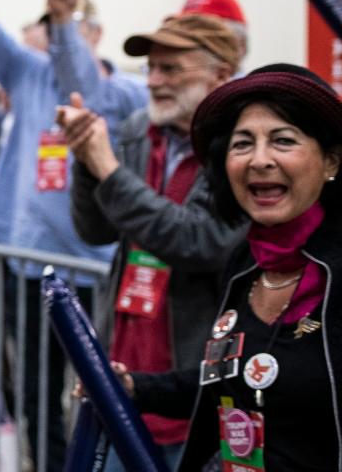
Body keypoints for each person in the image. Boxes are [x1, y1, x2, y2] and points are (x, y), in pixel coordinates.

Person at [0, 0, 147, 470]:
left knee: (103, 394)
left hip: (98, 272)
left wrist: (65, 25)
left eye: (70, 25)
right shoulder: (30, 74)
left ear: (95, 33)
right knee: (36, 392)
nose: (59, 38)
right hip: (28, 271)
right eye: (54, 26)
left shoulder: (125, 94)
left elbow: (82, 84)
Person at [114, 63, 342, 471]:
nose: (259, 160)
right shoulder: (243, 265)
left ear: (331, 162)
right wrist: (135, 386)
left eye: (283, 140)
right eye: (242, 144)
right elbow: (228, 375)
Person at [57, 14, 249, 470]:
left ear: (220, 74)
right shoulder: (138, 131)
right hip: (126, 375)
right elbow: (96, 230)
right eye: (151, 69)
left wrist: (107, 169)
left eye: (171, 69)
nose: (155, 81)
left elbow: (199, 240)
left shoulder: (238, 148)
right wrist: (87, 161)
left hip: (195, 387)